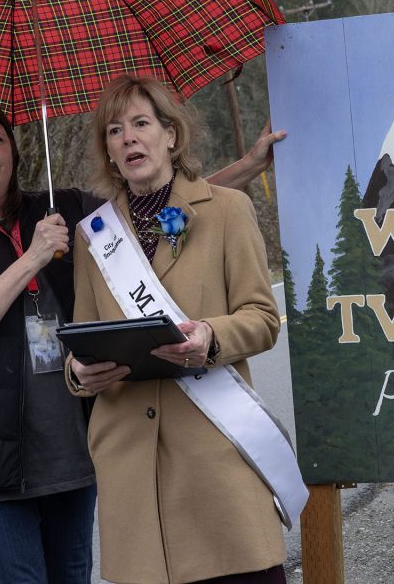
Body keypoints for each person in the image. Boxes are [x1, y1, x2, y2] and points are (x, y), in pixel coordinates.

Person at [0, 87, 283, 584]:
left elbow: (168, 207)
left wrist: (249, 166)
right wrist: (32, 257)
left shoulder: (67, 210)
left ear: (14, 151)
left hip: (69, 460)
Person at [66, 76, 288, 584]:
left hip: (213, 451)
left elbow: (261, 318)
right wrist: (80, 372)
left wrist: (210, 337)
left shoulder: (227, 210)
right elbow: (79, 341)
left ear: (171, 135)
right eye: (115, 131)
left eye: (141, 124)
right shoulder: (93, 236)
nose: (129, 139)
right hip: (130, 468)